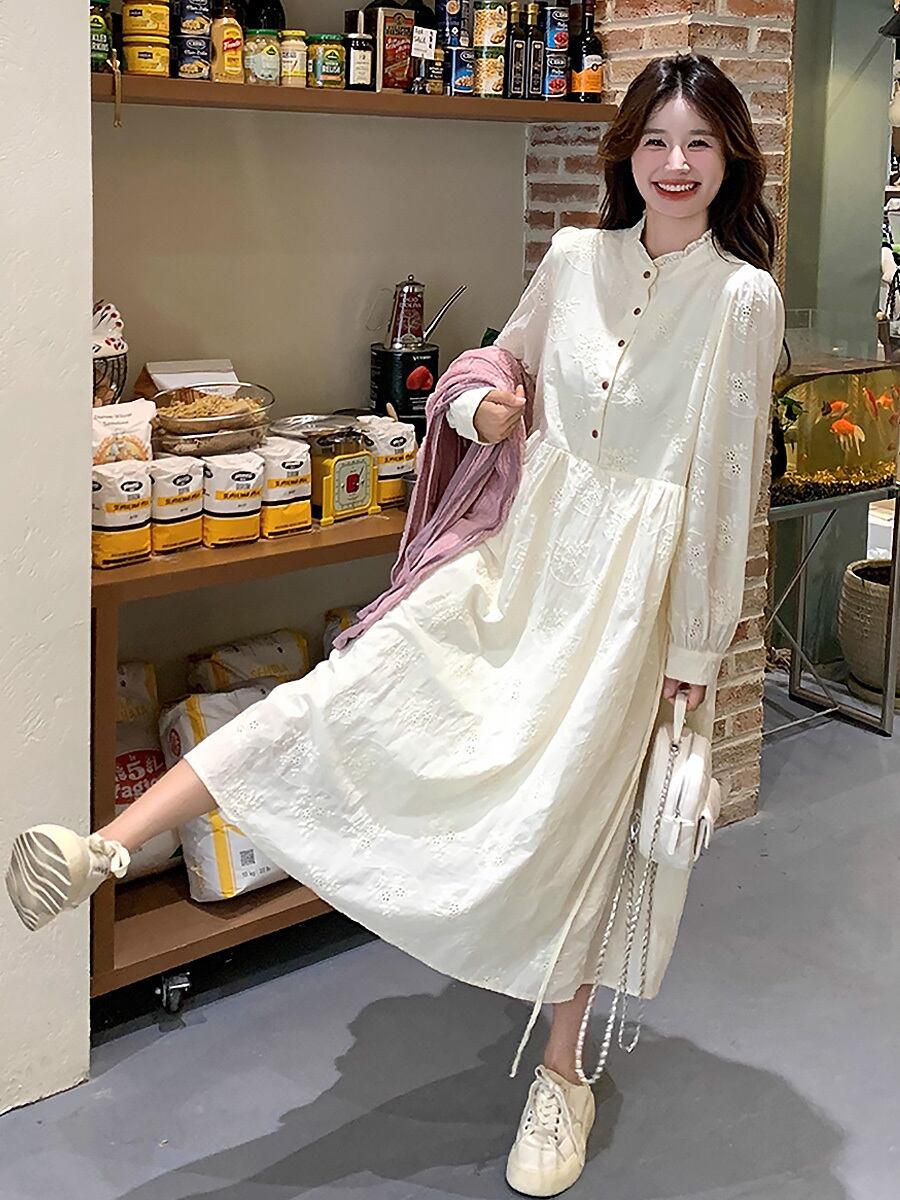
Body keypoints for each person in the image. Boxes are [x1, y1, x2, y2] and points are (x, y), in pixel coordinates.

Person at [7, 54, 784, 1199]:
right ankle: (104, 849)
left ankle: (561, 1076)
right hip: (518, 565)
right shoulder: (576, 258)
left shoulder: (742, 299)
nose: (676, 165)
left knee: (585, 828)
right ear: (627, 151)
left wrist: (694, 653)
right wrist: (485, 409)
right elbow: (489, 370)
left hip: (632, 603)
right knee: (345, 692)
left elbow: (724, 487)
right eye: (658, 141)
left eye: (700, 144)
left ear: (729, 159)